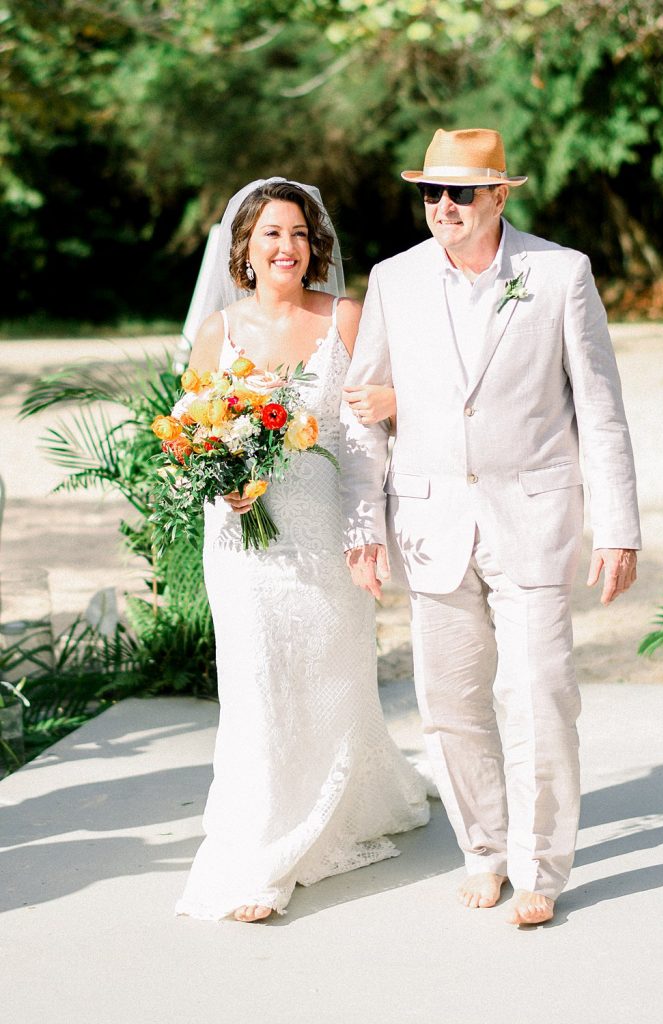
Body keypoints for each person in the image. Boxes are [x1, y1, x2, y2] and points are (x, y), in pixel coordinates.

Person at [340, 129, 641, 926]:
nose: (442, 207)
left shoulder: (559, 273)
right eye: (430, 193)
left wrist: (617, 527)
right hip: (429, 525)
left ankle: (539, 867)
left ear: (499, 196)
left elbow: (600, 412)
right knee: (449, 702)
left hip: (534, 518)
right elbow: (364, 410)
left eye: (460, 193)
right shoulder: (393, 280)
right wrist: (361, 523)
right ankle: (484, 849)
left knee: (540, 693)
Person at [174, 178, 429, 924]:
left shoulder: (345, 318)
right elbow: (189, 431)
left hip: (323, 533)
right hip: (242, 543)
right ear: (243, 250)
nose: (285, 248)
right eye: (269, 235)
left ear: (315, 246)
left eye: (297, 234)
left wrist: (363, 535)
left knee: (330, 674)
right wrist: (221, 484)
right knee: (254, 684)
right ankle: (260, 843)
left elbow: (364, 435)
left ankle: (339, 803)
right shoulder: (218, 332)